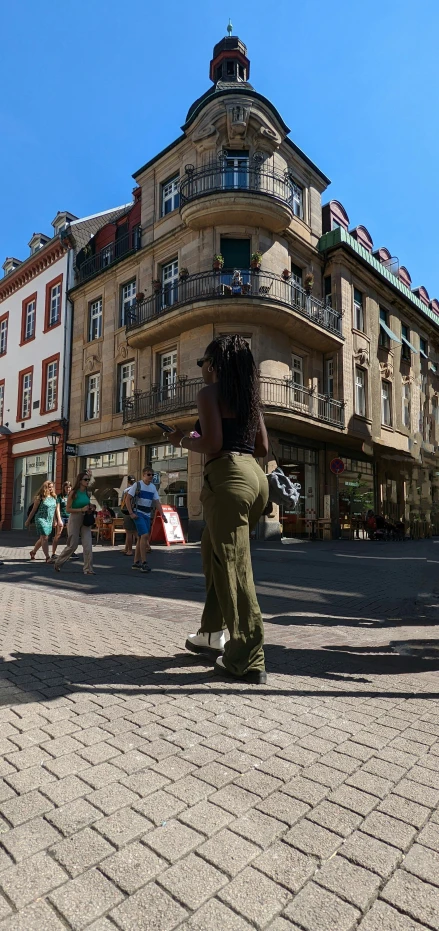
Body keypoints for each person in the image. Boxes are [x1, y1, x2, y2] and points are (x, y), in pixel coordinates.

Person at [168, 334, 269, 684]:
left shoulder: (208, 394)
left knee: (233, 567)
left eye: (202, 363)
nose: (202, 370)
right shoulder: (250, 399)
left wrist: (180, 440)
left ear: (213, 365)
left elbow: (211, 442)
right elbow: (263, 445)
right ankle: (212, 633)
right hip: (255, 480)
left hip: (226, 478)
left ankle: (246, 657)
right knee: (214, 551)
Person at [125, 466, 167, 573]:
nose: (151, 476)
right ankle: (144, 562)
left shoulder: (153, 487)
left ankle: (136, 562)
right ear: (143, 475)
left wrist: (162, 514)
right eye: (148, 474)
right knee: (144, 536)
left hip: (147, 514)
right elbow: (127, 499)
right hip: (138, 513)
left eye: (152, 475)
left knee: (140, 537)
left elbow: (157, 502)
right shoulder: (137, 485)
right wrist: (131, 513)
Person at [54, 471, 95, 575]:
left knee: (88, 545)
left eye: (88, 480)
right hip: (75, 518)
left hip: (85, 518)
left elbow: (87, 503)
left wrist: (90, 507)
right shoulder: (73, 492)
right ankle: (58, 562)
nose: (87, 481)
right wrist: (81, 509)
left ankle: (88, 569)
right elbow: (68, 509)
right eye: (85, 479)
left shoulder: (87, 492)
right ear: (80, 481)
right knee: (73, 545)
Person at [26, 480, 62, 563]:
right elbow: (33, 511)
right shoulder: (40, 498)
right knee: (45, 537)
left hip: (49, 520)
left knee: (43, 538)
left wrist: (55, 520)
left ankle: (33, 552)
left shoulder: (54, 498)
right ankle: (47, 557)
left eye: (52, 487)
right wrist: (28, 521)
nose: (51, 489)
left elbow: (54, 510)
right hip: (40, 519)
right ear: (45, 488)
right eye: (49, 487)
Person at [51, 481, 72, 558]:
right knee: (58, 534)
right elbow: (57, 509)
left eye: (69, 487)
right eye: (67, 487)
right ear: (64, 488)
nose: (68, 489)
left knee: (71, 535)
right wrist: (58, 519)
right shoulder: (59, 496)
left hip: (70, 516)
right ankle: (53, 553)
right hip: (62, 516)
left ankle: (70, 552)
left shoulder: (72, 496)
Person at [121, 475, 138, 556]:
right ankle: (146, 546)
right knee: (136, 531)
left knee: (128, 532)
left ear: (128, 482)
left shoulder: (126, 490)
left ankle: (129, 550)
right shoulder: (138, 489)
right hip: (137, 511)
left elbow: (122, 502)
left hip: (128, 512)